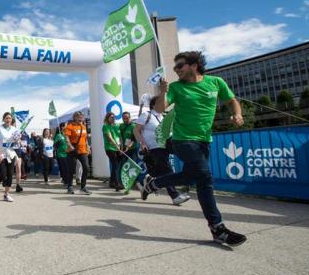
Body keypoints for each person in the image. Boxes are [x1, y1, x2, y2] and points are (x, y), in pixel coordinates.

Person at [142, 51, 247, 246]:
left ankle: (154, 183)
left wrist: (237, 114)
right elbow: (158, 109)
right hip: (183, 140)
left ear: (194, 64)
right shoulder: (176, 87)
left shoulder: (215, 82)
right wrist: (163, 91)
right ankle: (218, 228)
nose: (176, 70)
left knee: (194, 176)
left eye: (179, 66)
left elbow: (231, 101)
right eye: (174, 67)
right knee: (204, 177)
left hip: (204, 140)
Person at [134, 97, 190, 205]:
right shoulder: (147, 115)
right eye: (161, 103)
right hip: (154, 147)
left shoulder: (164, 117)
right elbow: (136, 130)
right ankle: (175, 196)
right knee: (167, 170)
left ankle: (149, 183)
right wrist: (142, 143)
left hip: (166, 145)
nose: (165, 105)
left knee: (161, 171)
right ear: (154, 105)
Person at [0, 112, 20, 202]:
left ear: (12, 120)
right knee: (3, 175)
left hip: (11, 154)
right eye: (6, 118)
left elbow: (16, 143)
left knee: (9, 175)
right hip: (1, 154)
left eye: (10, 118)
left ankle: (6, 194)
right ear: (3, 119)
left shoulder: (14, 129)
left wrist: (17, 141)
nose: (8, 120)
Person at [64, 111, 91, 195]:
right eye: (78, 117)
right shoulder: (69, 127)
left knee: (86, 168)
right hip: (72, 151)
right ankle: (70, 187)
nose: (81, 118)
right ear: (74, 118)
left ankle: (83, 187)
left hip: (83, 150)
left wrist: (88, 147)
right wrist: (69, 145)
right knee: (71, 169)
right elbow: (66, 137)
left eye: (82, 117)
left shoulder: (83, 127)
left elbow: (85, 138)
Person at [101, 112, 121, 191]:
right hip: (110, 148)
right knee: (115, 164)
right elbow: (109, 137)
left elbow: (120, 137)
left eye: (113, 117)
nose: (113, 118)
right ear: (107, 118)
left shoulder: (117, 126)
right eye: (111, 117)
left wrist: (121, 146)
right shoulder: (105, 126)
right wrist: (116, 145)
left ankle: (112, 182)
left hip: (118, 148)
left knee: (116, 166)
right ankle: (117, 184)